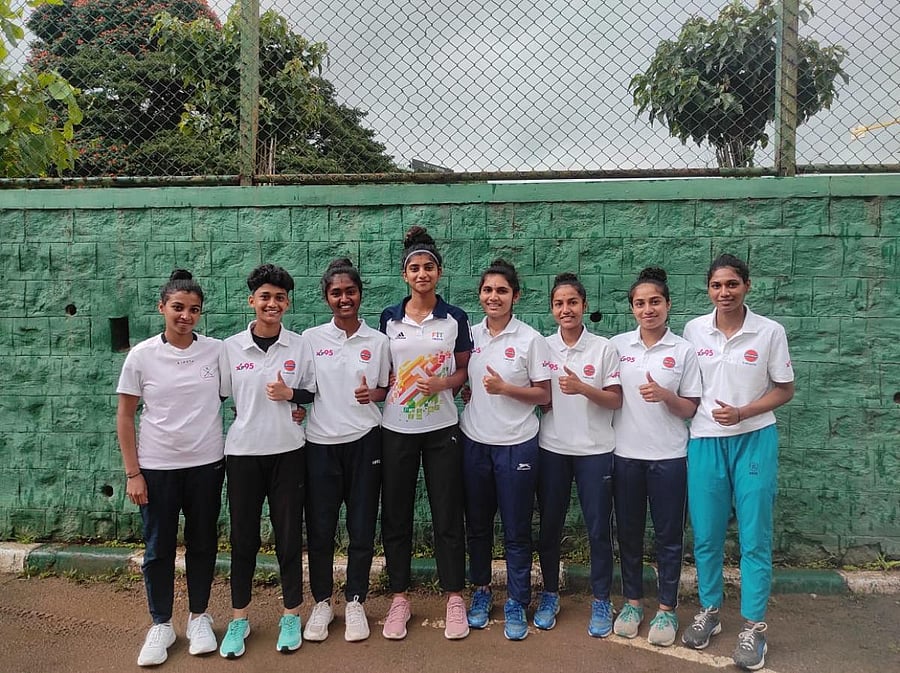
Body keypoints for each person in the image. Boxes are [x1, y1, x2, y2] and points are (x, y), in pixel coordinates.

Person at [680, 254, 794, 671]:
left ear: (747, 285)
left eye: (732, 284)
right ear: (708, 289)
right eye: (716, 286)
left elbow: (785, 389)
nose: (724, 293)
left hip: (754, 440)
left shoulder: (769, 332)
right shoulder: (694, 330)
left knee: (754, 537)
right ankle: (710, 611)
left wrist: (744, 413)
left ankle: (753, 627)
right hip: (706, 441)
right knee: (707, 535)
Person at [116, 269, 225, 667]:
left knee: (202, 543)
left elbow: (242, 391)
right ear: (162, 307)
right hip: (157, 468)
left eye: (194, 309)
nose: (185, 315)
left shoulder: (215, 351)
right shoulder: (142, 355)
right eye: (178, 307)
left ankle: (199, 617)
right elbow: (125, 416)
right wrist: (134, 473)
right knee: (158, 547)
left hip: (207, 465)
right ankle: (161, 624)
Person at [378, 226, 472, 641]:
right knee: (396, 515)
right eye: (414, 268)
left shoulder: (455, 319)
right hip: (396, 429)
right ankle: (400, 598)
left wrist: (445, 384)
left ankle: (454, 597)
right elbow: (384, 375)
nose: (421, 274)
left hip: (442, 430)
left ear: (439, 272)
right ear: (405, 275)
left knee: (447, 514)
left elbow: (465, 370)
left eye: (428, 267)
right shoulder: (389, 318)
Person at [218, 264, 316, 659]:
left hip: (289, 452)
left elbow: (311, 393)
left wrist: (290, 393)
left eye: (279, 298)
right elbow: (220, 396)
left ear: (287, 303)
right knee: (243, 540)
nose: (272, 304)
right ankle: (239, 618)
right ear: (252, 301)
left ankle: (291, 614)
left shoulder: (299, 345)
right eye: (265, 297)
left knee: (289, 537)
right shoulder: (230, 348)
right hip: (242, 454)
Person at [459, 259, 552, 641]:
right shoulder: (469, 334)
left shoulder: (530, 339)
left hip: (517, 445)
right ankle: (481, 592)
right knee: (478, 527)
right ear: (480, 295)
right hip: (474, 442)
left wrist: (507, 389)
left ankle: (516, 600)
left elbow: (545, 395)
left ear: (515, 296)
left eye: (501, 290)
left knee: (516, 530)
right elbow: (461, 379)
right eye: (488, 290)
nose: (493, 297)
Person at [610, 267, 701, 646]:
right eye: (640, 303)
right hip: (625, 455)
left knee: (668, 537)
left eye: (655, 302)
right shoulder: (617, 347)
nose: (648, 309)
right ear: (632, 308)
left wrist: (666, 396)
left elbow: (691, 409)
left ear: (667, 305)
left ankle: (666, 609)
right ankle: (633, 603)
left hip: (669, 458)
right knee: (628, 534)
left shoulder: (683, 350)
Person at [301, 258, 390, 643]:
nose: (343, 298)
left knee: (361, 526)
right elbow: (303, 389)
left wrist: (375, 394)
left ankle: (355, 601)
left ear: (360, 294)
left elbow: (386, 388)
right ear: (327, 298)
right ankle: (322, 601)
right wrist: (290, 406)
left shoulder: (379, 341)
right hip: (320, 445)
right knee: (320, 529)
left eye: (349, 291)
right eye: (336, 293)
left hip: (366, 440)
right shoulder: (311, 339)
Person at [534, 272, 622, 638]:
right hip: (552, 449)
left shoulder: (604, 348)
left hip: (595, 451)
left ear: (584, 306)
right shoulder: (541, 346)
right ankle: (550, 593)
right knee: (549, 528)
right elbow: (536, 394)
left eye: (572, 302)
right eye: (559, 303)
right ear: (552, 309)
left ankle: (602, 598)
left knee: (598, 530)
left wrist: (583, 387)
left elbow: (615, 399)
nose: (565, 309)